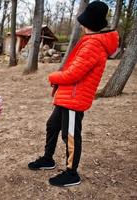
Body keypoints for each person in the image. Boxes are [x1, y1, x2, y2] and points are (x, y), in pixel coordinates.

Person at [28, 1, 119, 187]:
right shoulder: (91, 41)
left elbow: (73, 74)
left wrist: (53, 76)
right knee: (52, 126)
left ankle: (71, 173)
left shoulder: (94, 45)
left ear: (89, 24)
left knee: (69, 136)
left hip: (74, 98)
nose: (82, 25)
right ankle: (48, 159)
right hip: (68, 95)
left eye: (84, 22)